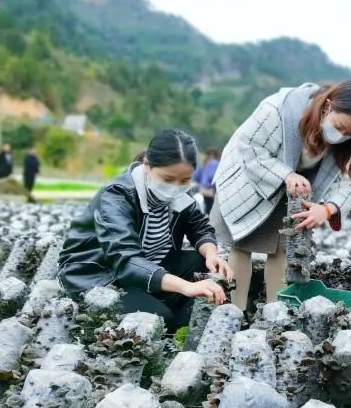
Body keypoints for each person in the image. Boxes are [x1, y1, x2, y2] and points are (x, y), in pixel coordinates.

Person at [212, 80, 351, 309]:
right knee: (242, 243)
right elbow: (250, 149)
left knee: (283, 246)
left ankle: (275, 313)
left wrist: (328, 208)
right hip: (253, 176)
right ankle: (234, 312)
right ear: (327, 106)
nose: (341, 136)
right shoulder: (277, 110)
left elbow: (350, 181)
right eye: (339, 127)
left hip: (298, 187)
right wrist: (286, 175)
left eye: (349, 133)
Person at [58, 129, 233, 332]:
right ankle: (164, 314)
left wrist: (212, 254)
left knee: (203, 263)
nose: (175, 187)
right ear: (147, 166)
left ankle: (173, 317)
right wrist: (187, 287)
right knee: (158, 319)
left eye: (185, 180)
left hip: (149, 266)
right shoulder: (116, 195)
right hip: (102, 274)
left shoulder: (179, 194)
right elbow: (126, 260)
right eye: (167, 179)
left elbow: (199, 226)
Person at [193, 148, 220, 215]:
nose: (211, 159)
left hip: (214, 192)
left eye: (213, 157)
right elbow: (196, 177)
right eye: (209, 157)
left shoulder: (215, 164)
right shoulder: (202, 167)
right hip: (207, 193)